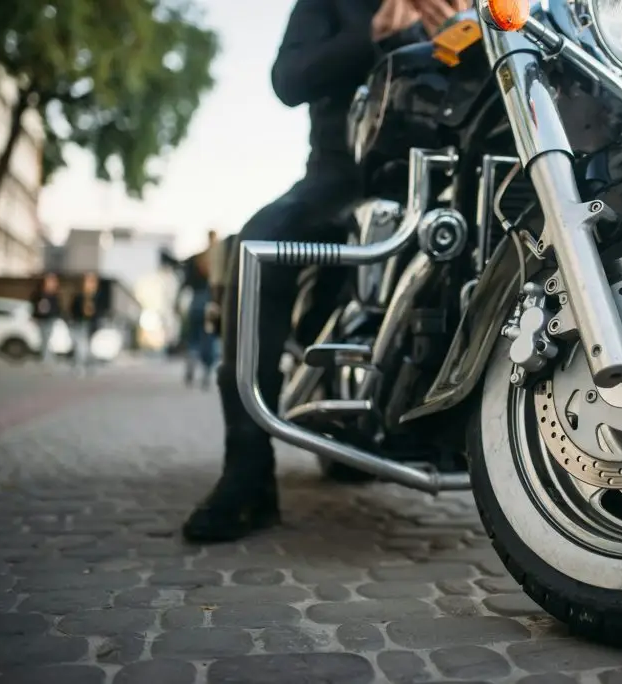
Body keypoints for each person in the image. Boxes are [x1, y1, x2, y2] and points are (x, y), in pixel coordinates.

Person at [182, 0, 465, 543]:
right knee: (257, 243)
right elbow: (289, 79)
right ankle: (247, 470)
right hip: (344, 177)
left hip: (453, 179)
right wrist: (379, 35)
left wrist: (461, 32)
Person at [180, 230, 221, 389]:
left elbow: (185, 280)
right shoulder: (217, 259)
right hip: (210, 302)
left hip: (195, 302)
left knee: (193, 339)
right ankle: (206, 374)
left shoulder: (196, 258)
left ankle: (191, 365)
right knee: (209, 339)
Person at [70, 272, 103, 374]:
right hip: (80, 323)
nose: (90, 285)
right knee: (81, 345)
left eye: (92, 282)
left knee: (87, 346)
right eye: (88, 282)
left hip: (91, 324)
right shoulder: (80, 296)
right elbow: (73, 310)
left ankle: (86, 365)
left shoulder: (97, 297)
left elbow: (100, 311)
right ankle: (80, 366)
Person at [29, 272, 62, 363]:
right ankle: (46, 356)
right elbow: (34, 305)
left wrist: (56, 316)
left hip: (50, 318)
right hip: (41, 318)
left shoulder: (54, 295)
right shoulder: (39, 294)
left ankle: (46, 355)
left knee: (47, 337)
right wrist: (35, 316)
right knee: (44, 337)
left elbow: (57, 307)